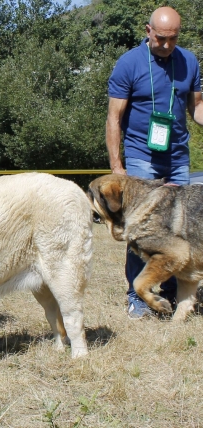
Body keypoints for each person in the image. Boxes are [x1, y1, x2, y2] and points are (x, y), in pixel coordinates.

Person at [106, 6, 203, 319]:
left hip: (177, 157)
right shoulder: (129, 63)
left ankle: (174, 294)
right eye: (161, 38)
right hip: (141, 159)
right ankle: (138, 298)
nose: (166, 44)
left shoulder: (189, 61)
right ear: (148, 31)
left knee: (181, 230)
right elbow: (114, 117)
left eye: (172, 38)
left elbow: (197, 107)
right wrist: (117, 167)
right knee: (142, 232)